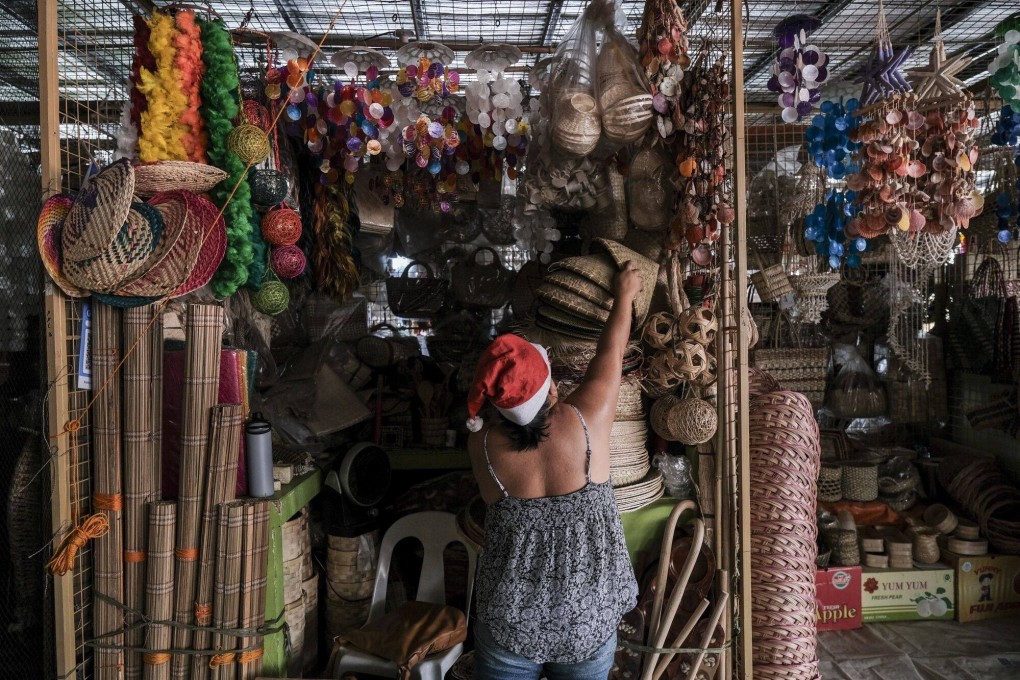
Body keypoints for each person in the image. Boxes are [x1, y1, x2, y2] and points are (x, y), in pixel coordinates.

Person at [465, 261, 644, 679]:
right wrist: (625, 295)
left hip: (509, 626)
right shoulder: (588, 419)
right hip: (587, 620)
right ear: (551, 386)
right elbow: (611, 351)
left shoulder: (483, 447)